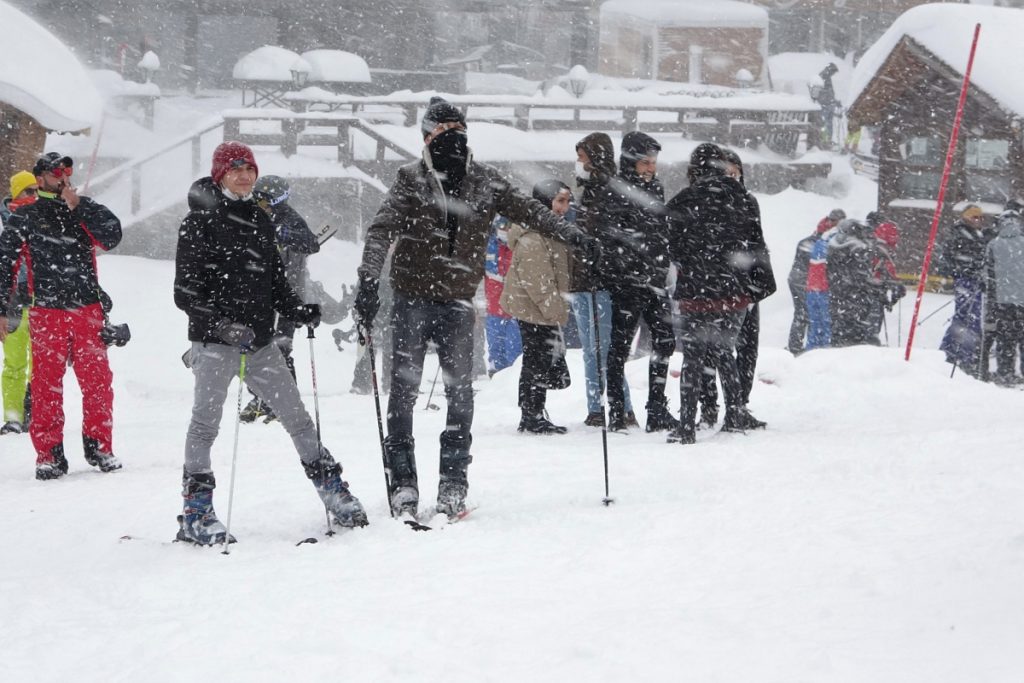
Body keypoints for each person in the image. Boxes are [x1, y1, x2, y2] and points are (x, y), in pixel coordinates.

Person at [351, 97, 593, 519]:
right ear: (426, 137)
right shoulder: (410, 180)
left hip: (458, 302)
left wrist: (571, 233)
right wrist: (370, 279)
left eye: (458, 130)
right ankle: (403, 482)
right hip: (411, 298)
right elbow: (380, 231)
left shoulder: (485, 180)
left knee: (460, 394)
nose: (452, 139)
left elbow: (531, 210)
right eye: (442, 131)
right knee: (403, 394)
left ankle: (453, 481)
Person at [174, 141, 366, 545]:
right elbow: (185, 292)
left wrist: (298, 310)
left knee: (296, 417)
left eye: (250, 169)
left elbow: (275, 283)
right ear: (220, 173)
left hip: (260, 342)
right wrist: (223, 326)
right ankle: (196, 513)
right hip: (213, 342)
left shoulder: (261, 219)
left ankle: (333, 491)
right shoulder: (199, 222)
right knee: (205, 424)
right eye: (235, 169)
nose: (244, 176)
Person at [0, 153, 122, 479]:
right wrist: (2, 309)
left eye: (66, 171)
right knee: (45, 387)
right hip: (47, 313)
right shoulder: (24, 216)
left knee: (98, 384)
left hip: (88, 310)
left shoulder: (81, 208)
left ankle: (99, 446)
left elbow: (112, 235)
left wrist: (79, 204)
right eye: (55, 172)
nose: (63, 176)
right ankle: (49, 455)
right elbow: (5, 264)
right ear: (40, 180)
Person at [666, 143, 766, 444]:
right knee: (725, 352)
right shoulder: (742, 198)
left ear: (694, 168)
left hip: (695, 289)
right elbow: (754, 241)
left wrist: (693, 260)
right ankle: (735, 413)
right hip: (732, 287)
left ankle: (686, 426)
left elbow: (671, 244)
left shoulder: (683, 200)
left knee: (693, 357)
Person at [603, 131, 678, 433]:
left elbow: (659, 233)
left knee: (665, 341)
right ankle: (617, 411)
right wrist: (626, 271)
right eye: (645, 162)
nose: (651, 168)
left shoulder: (656, 188)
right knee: (620, 347)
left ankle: (657, 408)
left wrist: (660, 267)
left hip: (655, 279)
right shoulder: (615, 191)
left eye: (654, 162)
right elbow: (610, 238)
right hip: (627, 282)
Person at [697, 149, 775, 427]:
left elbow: (757, 244)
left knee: (746, 348)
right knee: (711, 348)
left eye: (735, 173)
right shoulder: (705, 202)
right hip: (714, 287)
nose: (731, 178)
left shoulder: (748, 202)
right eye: (726, 173)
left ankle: (740, 403)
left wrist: (758, 284)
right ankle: (709, 406)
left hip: (746, 285)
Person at [238, 175, 321, 424]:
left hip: (288, 296)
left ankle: (285, 401)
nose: (259, 202)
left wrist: (282, 233)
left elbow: (311, 243)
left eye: (264, 199)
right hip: (260, 294)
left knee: (282, 349)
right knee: (255, 349)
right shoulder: (251, 214)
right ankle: (261, 397)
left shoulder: (290, 218)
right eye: (257, 197)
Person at [570, 132, 637, 429]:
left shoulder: (603, 191)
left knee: (599, 349)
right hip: (587, 280)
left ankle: (607, 406)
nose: (578, 163)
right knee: (597, 348)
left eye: (582, 157)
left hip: (597, 282)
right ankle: (606, 404)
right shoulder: (591, 189)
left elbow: (604, 238)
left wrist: (597, 264)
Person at [500, 179, 573, 434]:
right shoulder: (533, 237)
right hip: (534, 309)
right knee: (537, 360)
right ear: (545, 202)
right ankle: (531, 414)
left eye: (567, 201)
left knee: (540, 359)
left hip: (540, 307)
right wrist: (556, 312)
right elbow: (538, 282)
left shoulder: (549, 231)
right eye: (560, 201)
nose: (564, 207)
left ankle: (534, 411)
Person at [1, 171, 37, 435]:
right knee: (14, 362)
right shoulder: (5, 224)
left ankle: (33, 408)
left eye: (36, 190)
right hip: (12, 302)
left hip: (39, 301)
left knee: (41, 362)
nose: (33, 196)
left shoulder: (42, 217)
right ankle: (12, 417)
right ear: (16, 193)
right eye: (28, 191)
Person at [938, 204, 992, 376]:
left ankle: (950, 351)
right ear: (966, 217)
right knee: (968, 319)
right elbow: (952, 259)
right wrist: (967, 272)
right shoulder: (960, 234)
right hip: (965, 281)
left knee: (965, 318)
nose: (979, 221)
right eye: (975, 217)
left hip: (973, 281)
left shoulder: (976, 234)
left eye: (981, 218)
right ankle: (961, 355)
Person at [787, 209, 844, 354]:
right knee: (808, 313)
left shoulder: (816, 236)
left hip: (798, 278)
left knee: (803, 313)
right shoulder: (827, 238)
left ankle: (798, 346)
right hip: (806, 280)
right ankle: (802, 348)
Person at [828, 218, 885, 346]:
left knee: (838, 334)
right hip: (855, 300)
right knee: (856, 338)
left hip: (837, 298)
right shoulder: (857, 248)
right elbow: (861, 278)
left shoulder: (834, 245)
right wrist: (879, 287)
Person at [984, 209, 1024, 385]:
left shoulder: (993, 244)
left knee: (1005, 338)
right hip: (1022, 300)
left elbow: (988, 273)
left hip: (1002, 300)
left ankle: (1005, 373)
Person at [483, 217, 522, 375]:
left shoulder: (519, 247)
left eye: (508, 227)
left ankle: (512, 384)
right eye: (501, 226)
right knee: (495, 351)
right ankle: (496, 382)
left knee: (514, 353)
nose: (504, 230)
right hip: (494, 310)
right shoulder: (489, 246)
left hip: (515, 311)